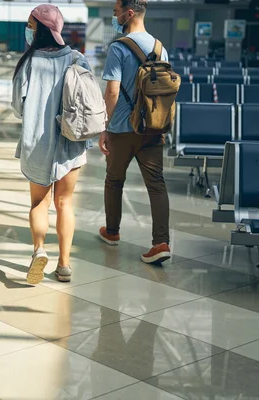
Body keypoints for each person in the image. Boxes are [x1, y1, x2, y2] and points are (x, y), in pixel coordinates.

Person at [12, 4, 91, 284]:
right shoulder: (77, 59)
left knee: (39, 203)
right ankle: (65, 264)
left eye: (31, 25)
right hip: (71, 142)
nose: (28, 30)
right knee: (65, 202)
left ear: (41, 29)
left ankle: (39, 251)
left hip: (37, 144)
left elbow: (18, 108)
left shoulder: (29, 62)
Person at [98, 0, 172, 264]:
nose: (114, 15)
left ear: (129, 14)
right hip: (153, 127)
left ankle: (113, 232)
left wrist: (104, 127)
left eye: (116, 11)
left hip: (122, 128)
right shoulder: (161, 49)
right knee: (156, 185)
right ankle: (161, 242)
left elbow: (113, 92)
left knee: (114, 180)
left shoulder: (118, 48)